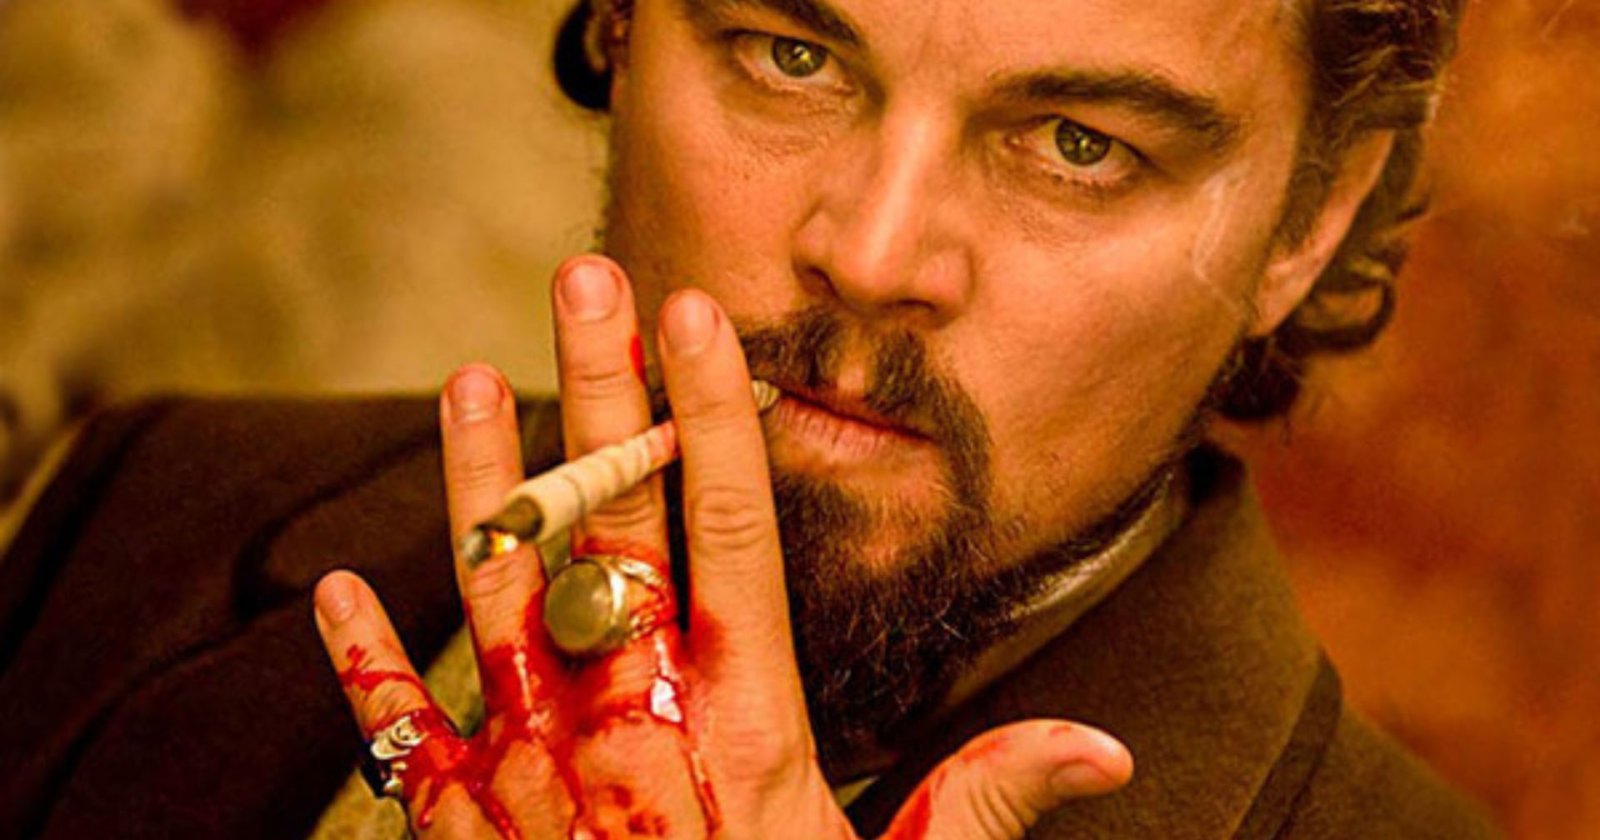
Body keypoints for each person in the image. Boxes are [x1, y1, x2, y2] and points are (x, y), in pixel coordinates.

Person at [0, 0, 1500, 837]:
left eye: (1076, 144)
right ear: (621, 25)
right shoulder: (152, 508)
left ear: (1315, 216)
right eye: (795, 56)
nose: (873, 250)